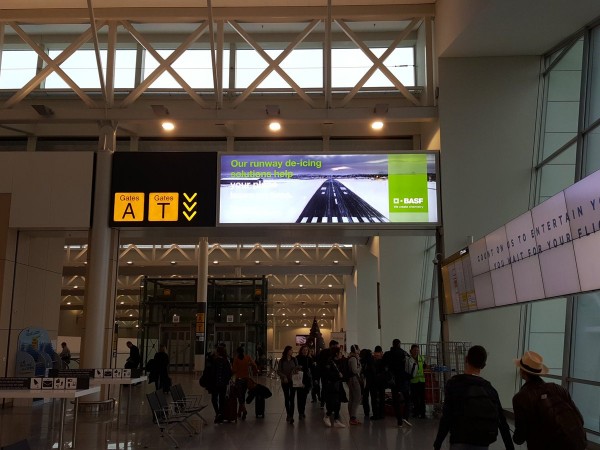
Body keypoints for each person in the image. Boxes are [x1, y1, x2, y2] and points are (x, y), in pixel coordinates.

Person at [433, 345, 514, 450]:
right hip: (483, 443)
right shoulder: (490, 389)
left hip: (459, 440)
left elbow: (447, 417)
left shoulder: (454, 383)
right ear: (484, 365)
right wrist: (510, 447)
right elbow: (502, 422)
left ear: (466, 359)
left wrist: (438, 443)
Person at [512, 351, 586, 450]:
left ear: (522, 371)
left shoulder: (521, 398)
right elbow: (580, 418)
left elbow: (520, 436)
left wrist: (515, 438)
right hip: (574, 444)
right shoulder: (558, 388)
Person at [383, 339, 412, 427]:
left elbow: (384, 366)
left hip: (393, 381)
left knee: (395, 401)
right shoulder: (404, 353)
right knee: (407, 399)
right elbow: (409, 365)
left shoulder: (387, 354)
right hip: (403, 379)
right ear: (399, 344)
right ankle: (405, 417)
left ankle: (399, 421)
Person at [207, 343, 233, 423]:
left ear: (218, 352)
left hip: (215, 384)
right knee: (222, 399)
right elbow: (229, 373)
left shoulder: (215, 361)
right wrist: (226, 380)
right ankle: (221, 414)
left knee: (214, 399)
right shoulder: (226, 361)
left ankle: (218, 413)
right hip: (223, 384)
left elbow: (212, 373)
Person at [322, 346, 346, 427]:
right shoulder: (330, 362)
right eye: (340, 353)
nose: (341, 354)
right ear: (336, 353)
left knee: (338, 402)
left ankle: (336, 420)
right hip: (331, 385)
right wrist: (337, 375)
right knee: (333, 402)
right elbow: (327, 374)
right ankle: (327, 416)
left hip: (338, 384)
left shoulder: (340, 361)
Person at [232, 346, 258, 420]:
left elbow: (234, 370)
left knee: (240, 396)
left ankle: (244, 410)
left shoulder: (236, 359)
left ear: (237, 352)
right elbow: (254, 364)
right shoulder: (247, 357)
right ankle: (239, 413)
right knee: (242, 395)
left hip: (239, 380)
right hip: (246, 380)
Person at [277, 345, 299, 424]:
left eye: (292, 350)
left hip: (293, 381)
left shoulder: (294, 359)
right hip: (285, 381)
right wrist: (284, 377)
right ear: (287, 351)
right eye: (290, 350)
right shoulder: (282, 361)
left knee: (292, 398)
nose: (291, 351)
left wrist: (296, 371)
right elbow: (278, 371)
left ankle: (291, 415)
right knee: (287, 397)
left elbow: (297, 368)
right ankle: (288, 414)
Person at [316, 340, 340, 408]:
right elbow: (320, 362)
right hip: (326, 373)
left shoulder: (325, 352)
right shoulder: (325, 352)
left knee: (325, 388)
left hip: (327, 373)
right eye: (336, 346)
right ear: (332, 345)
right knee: (326, 388)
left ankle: (324, 403)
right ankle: (325, 402)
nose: (337, 347)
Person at [346, 344, 362, 425]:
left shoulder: (351, 358)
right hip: (354, 380)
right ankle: (353, 417)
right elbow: (355, 371)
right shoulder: (353, 359)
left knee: (352, 398)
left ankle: (352, 417)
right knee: (357, 398)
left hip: (351, 380)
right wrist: (360, 368)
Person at [295, 345, 312, 419]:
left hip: (307, 380)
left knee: (304, 397)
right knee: (300, 397)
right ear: (301, 350)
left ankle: (302, 411)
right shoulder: (297, 358)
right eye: (304, 350)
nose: (305, 351)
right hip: (300, 380)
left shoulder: (309, 359)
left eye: (306, 350)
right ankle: (300, 413)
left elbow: (311, 369)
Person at [410, 344, 427, 418]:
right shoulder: (409, 359)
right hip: (413, 381)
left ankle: (423, 413)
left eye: (417, 350)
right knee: (415, 398)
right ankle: (416, 412)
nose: (416, 351)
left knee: (422, 397)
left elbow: (424, 366)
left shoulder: (421, 358)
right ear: (411, 351)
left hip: (421, 380)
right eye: (415, 350)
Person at [370, 345, 386, 420]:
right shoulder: (383, 359)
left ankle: (375, 414)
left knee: (374, 398)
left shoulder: (372, 359)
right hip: (382, 381)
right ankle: (382, 414)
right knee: (382, 398)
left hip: (374, 381)